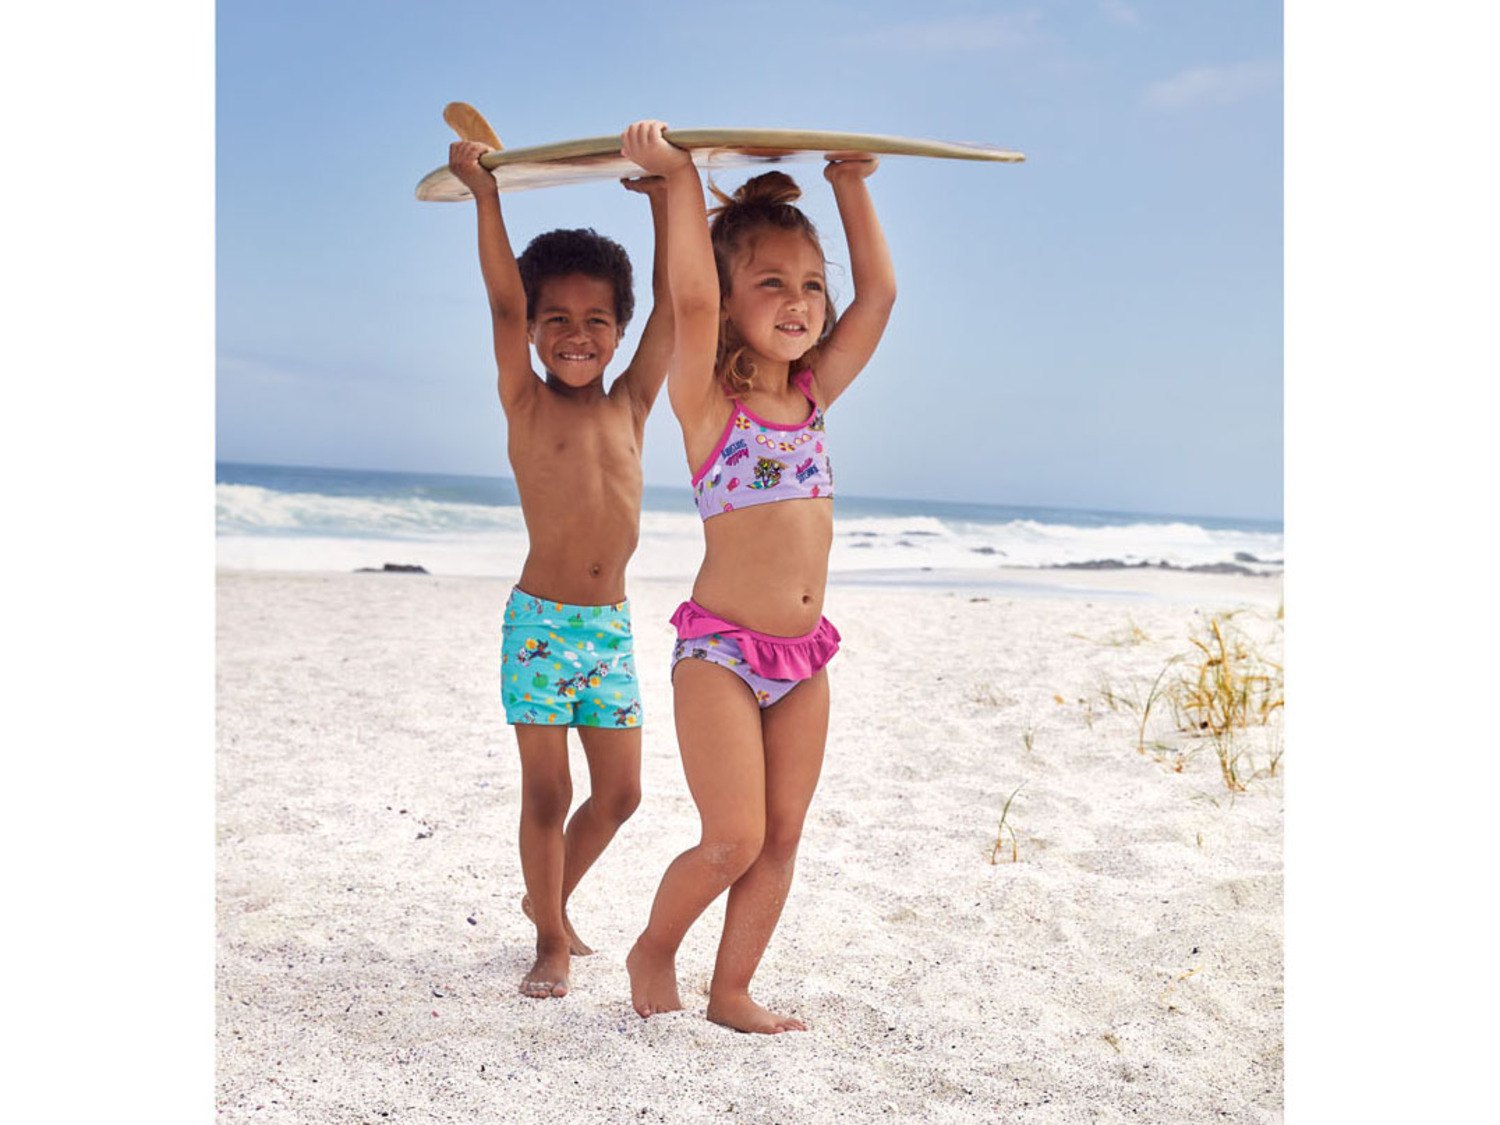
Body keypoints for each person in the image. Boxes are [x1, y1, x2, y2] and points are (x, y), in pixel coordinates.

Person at [618, 120, 896, 1033]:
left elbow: (880, 296)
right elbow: (690, 300)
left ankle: (731, 990)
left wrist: (850, 185)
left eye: (810, 284)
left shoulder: (812, 394)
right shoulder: (708, 402)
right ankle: (654, 945)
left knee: (780, 838)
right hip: (722, 656)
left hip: (805, 657)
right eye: (770, 282)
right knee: (731, 838)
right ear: (733, 300)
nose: (798, 301)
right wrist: (678, 182)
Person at [447, 139, 673, 1000]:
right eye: (558, 321)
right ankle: (549, 937)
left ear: (618, 329)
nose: (577, 335)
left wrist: (664, 201)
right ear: (535, 331)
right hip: (540, 623)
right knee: (547, 792)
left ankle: (548, 894)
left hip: (609, 628)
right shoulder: (525, 399)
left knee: (620, 794)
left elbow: (676, 309)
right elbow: (503, 301)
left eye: (597, 320)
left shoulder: (633, 402)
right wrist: (485, 196)